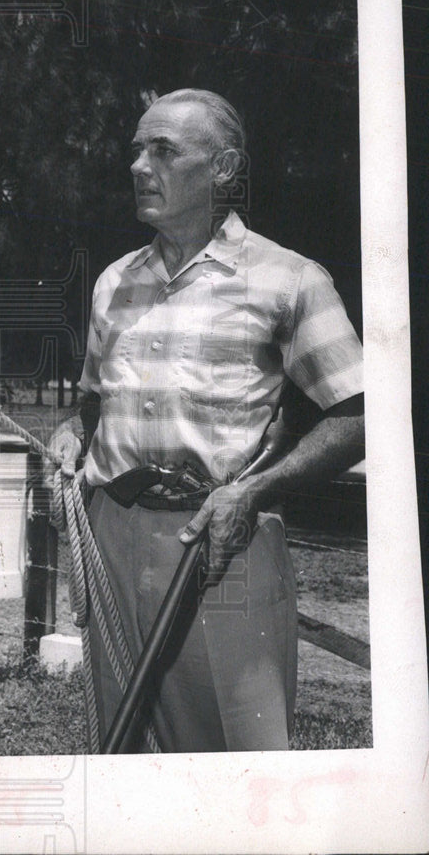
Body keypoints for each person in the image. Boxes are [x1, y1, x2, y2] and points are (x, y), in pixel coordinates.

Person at [49, 88, 364, 753]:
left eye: (162, 150)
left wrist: (252, 492)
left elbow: (358, 414)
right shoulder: (113, 283)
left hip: (223, 544)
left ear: (222, 169)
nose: (138, 165)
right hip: (113, 537)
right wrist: (71, 437)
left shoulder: (290, 280)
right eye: (136, 149)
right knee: (122, 750)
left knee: (241, 764)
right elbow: (93, 405)